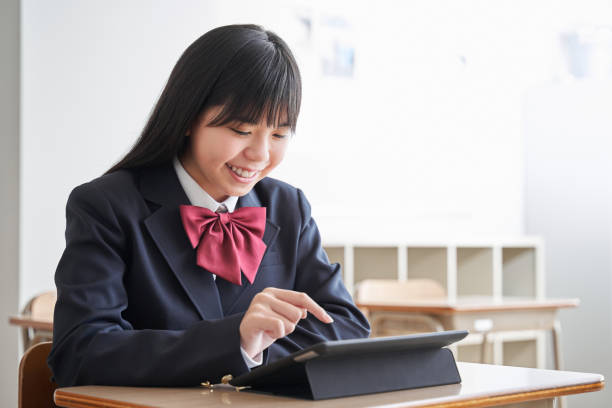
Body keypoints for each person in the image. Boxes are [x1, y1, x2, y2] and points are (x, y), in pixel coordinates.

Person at [48, 24, 370, 387]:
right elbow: (82, 352)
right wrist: (234, 341)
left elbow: (346, 326)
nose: (260, 155)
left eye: (279, 134)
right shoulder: (106, 206)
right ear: (188, 118)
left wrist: (254, 353)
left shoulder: (288, 206)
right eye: (240, 130)